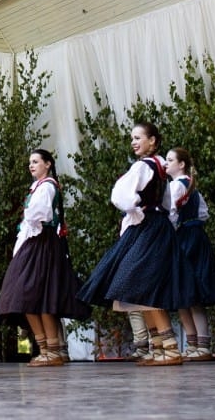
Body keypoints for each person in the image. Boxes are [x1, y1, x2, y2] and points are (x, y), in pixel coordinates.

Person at [78, 122, 182, 366]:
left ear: (153, 141)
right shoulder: (160, 167)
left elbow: (120, 196)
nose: (134, 142)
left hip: (146, 227)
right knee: (141, 285)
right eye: (132, 138)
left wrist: (134, 208)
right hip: (157, 225)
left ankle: (170, 349)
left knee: (142, 285)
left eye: (138, 138)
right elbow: (168, 204)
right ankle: (159, 348)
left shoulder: (142, 166)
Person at [4, 148, 89, 367]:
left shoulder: (48, 186)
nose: (31, 165)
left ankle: (52, 349)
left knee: (39, 295)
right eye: (30, 162)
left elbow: (37, 214)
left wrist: (28, 218)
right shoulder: (38, 187)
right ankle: (47, 348)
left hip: (43, 243)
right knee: (28, 295)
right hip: (36, 242)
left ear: (48, 164)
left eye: (35, 161)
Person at [165, 146, 215, 361]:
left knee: (190, 291)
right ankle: (195, 344)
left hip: (185, 238)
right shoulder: (190, 187)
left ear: (181, 164)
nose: (166, 163)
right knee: (185, 292)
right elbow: (204, 214)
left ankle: (200, 343)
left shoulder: (176, 186)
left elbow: (170, 214)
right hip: (192, 234)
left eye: (170, 159)